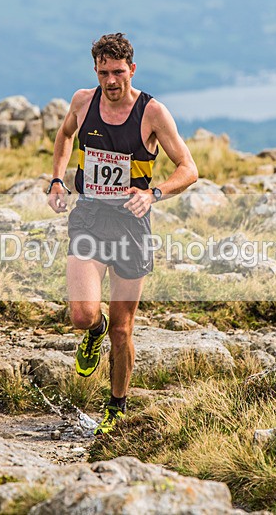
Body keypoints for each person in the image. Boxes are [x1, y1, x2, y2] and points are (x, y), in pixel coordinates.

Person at [47, 32, 198, 435]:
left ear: (132, 69)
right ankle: (90, 335)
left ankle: (116, 407)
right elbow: (64, 136)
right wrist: (57, 181)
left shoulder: (152, 113)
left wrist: (153, 194)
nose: (111, 81)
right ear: (95, 71)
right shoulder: (83, 102)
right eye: (103, 73)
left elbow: (189, 168)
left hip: (132, 225)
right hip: (90, 217)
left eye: (118, 72)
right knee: (82, 314)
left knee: (123, 328)